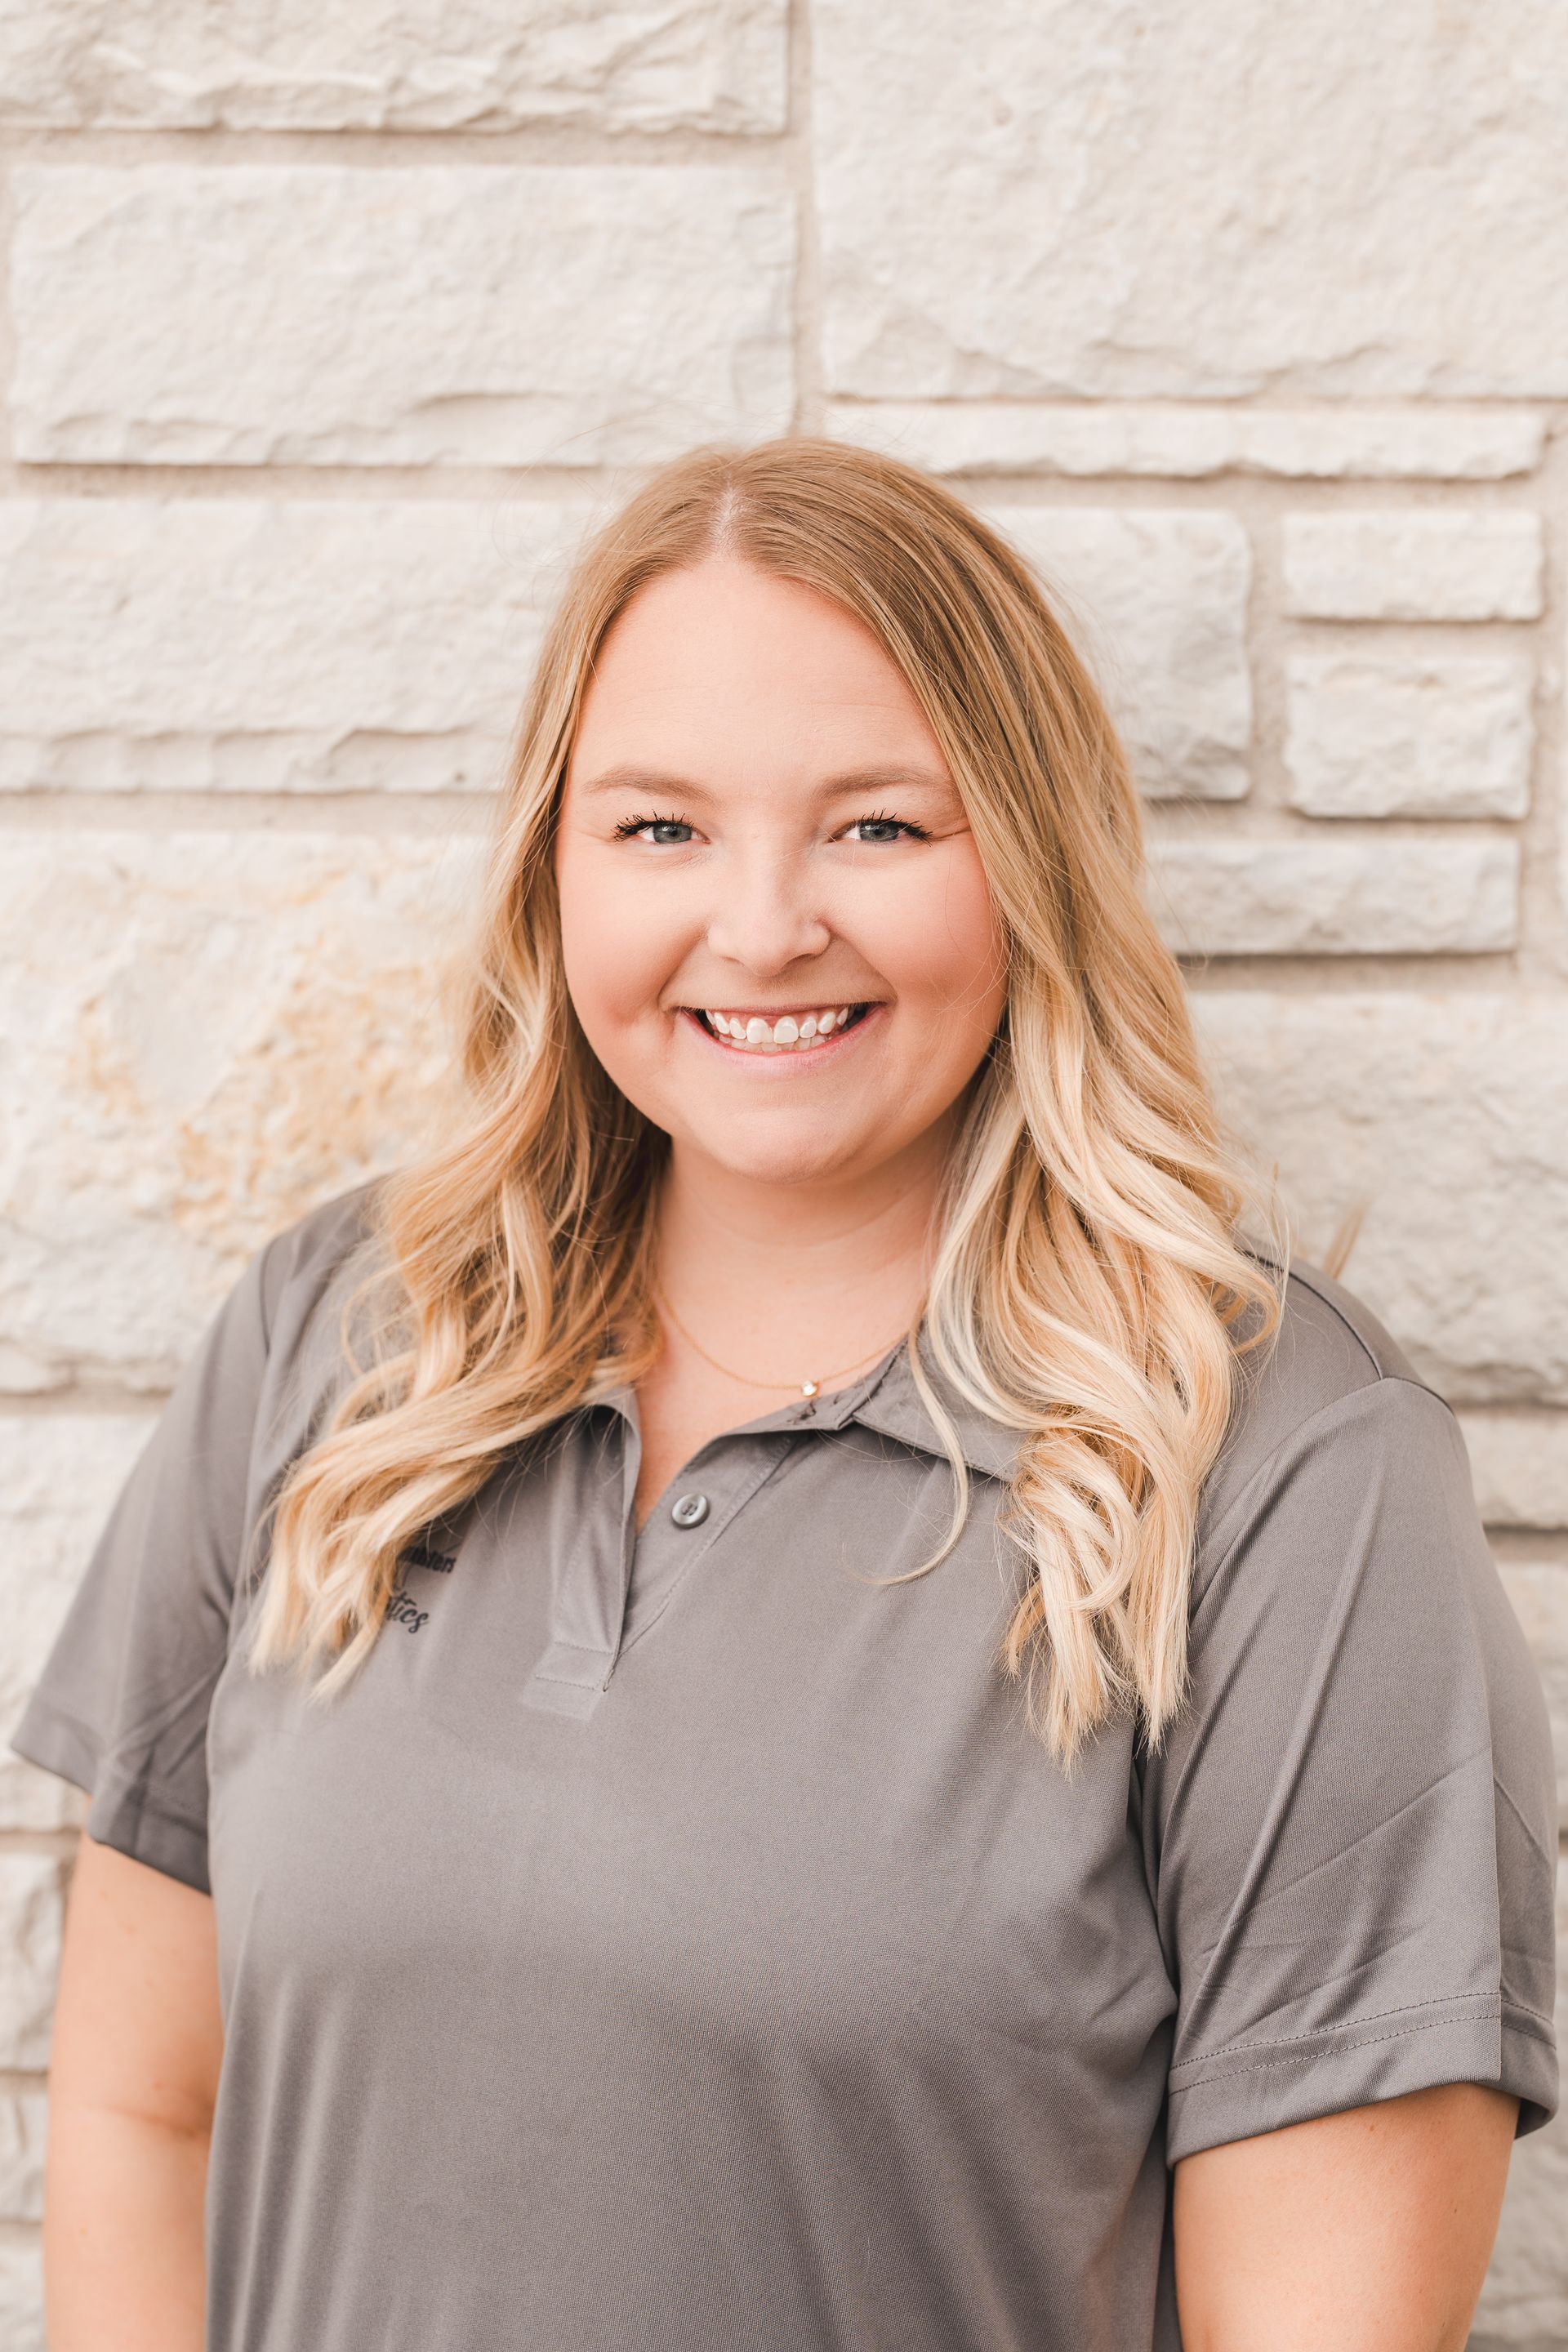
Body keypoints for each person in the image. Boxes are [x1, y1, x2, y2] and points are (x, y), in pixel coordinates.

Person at [15, 440, 1557, 2352]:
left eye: (880, 829)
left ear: (1035, 861)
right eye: (660, 829)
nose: (758, 929)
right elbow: (144, 2115)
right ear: (553, 865)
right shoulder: (339, 1338)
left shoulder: (1275, 1470)